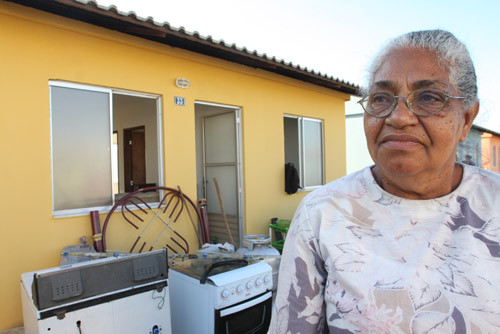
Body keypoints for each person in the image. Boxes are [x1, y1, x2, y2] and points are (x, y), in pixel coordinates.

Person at [268, 29, 500, 333]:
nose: (399, 117)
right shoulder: (322, 212)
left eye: (429, 97)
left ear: (466, 118)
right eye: (381, 98)